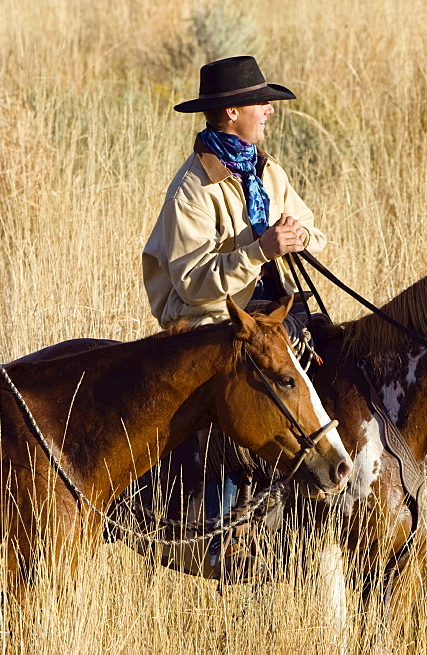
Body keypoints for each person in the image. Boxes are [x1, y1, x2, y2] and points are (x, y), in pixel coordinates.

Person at [142, 56, 327, 575]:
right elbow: (193, 285)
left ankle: (344, 511)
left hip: (273, 315)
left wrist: (297, 237)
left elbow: (312, 226)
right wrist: (260, 249)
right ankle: (218, 530)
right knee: (231, 404)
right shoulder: (191, 189)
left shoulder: (266, 170)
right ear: (229, 113)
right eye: (259, 103)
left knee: (335, 364)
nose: (268, 110)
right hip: (207, 323)